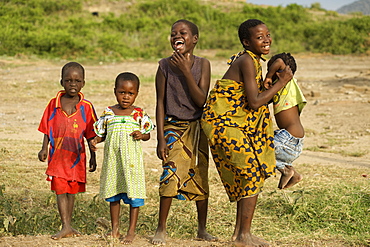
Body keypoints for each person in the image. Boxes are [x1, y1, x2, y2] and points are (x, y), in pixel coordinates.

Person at [201, 19, 293, 247]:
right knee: (251, 173)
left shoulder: (253, 61)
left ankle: (241, 234)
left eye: (268, 35)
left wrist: (272, 74)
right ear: (246, 42)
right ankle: (242, 236)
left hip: (232, 124)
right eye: (260, 37)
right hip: (223, 123)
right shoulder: (246, 61)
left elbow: (255, 93)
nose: (266, 40)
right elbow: (254, 102)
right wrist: (281, 83)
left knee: (250, 175)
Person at [152, 19, 216, 245]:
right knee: (169, 174)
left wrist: (186, 72)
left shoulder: (203, 65)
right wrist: (161, 139)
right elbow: (160, 103)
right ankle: (161, 228)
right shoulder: (164, 66)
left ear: (194, 39)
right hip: (173, 127)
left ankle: (201, 229)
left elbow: (201, 101)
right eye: (173, 33)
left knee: (200, 176)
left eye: (183, 33)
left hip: (198, 128)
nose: (176, 36)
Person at [90, 72, 154, 244]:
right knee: (114, 194)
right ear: (115, 91)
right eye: (122, 92)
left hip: (132, 163)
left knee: (134, 196)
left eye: (130, 93)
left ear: (136, 94)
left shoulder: (139, 114)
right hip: (113, 162)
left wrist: (142, 135)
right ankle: (115, 229)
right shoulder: (109, 113)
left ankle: (131, 231)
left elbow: (147, 134)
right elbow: (103, 134)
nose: (126, 97)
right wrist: (95, 140)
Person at [38, 62, 97, 240]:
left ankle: (69, 224)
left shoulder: (86, 107)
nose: (73, 84)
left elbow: (91, 134)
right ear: (61, 82)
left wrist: (94, 156)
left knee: (71, 190)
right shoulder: (53, 104)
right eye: (68, 80)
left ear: (83, 83)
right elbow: (47, 128)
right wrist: (43, 148)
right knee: (60, 189)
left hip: (76, 158)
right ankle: (65, 225)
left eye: (77, 81)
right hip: (57, 156)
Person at [263, 52, 306, 189]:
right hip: (292, 141)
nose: (273, 73)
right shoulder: (279, 88)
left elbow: (280, 61)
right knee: (261, 144)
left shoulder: (288, 81)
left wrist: (268, 76)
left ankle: (286, 171)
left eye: (275, 70)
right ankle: (292, 173)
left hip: (289, 138)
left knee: (261, 149)